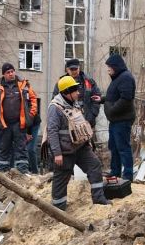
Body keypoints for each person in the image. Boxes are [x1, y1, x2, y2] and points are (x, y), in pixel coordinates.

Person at [47, 76, 111, 211]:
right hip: (64, 152)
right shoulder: (55, 108)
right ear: (66, 92)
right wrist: (57, 153)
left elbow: (80, 125)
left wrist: (88, 143)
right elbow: (52, 132)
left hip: (80, 147)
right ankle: (58, 209)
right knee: (61, 180)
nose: (78, 92)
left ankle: (99, 198)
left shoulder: (74, 103)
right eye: (75, 90)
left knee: (95, 165)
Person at [0, 63, 38, 174]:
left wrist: (31, 114)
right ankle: (3, 174)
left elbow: (33, 99)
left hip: (19, 124)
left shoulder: (24, 84)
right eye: (8, 72)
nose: (11, 74)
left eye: (12, 71)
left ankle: (22, 172)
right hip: (4, 124)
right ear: (4, 74)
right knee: (4, 149)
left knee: (21, 149)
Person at [92, 54, 136, 181]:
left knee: (123, 147)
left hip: (122, 119)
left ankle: (127, 175)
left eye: (109, 67)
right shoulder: (118, 78)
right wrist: (102, 99)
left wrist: (111, 110)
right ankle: (115, 171)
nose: (108, 70)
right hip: (115, 120)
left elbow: (126, 99)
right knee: (114, 146)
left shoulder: (125, 78)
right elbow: (114, 96)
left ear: (116, 67)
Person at [52, 58, 102, 135]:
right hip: (68, 122)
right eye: (72, 69)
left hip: (87, 120)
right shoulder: (61, 83)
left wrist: (92, 115)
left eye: (76, 68)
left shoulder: (88, 81)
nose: (74, 71)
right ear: (67, 69)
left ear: (79, 68)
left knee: (87, 145)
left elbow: (96, 98)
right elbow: (55, 102)